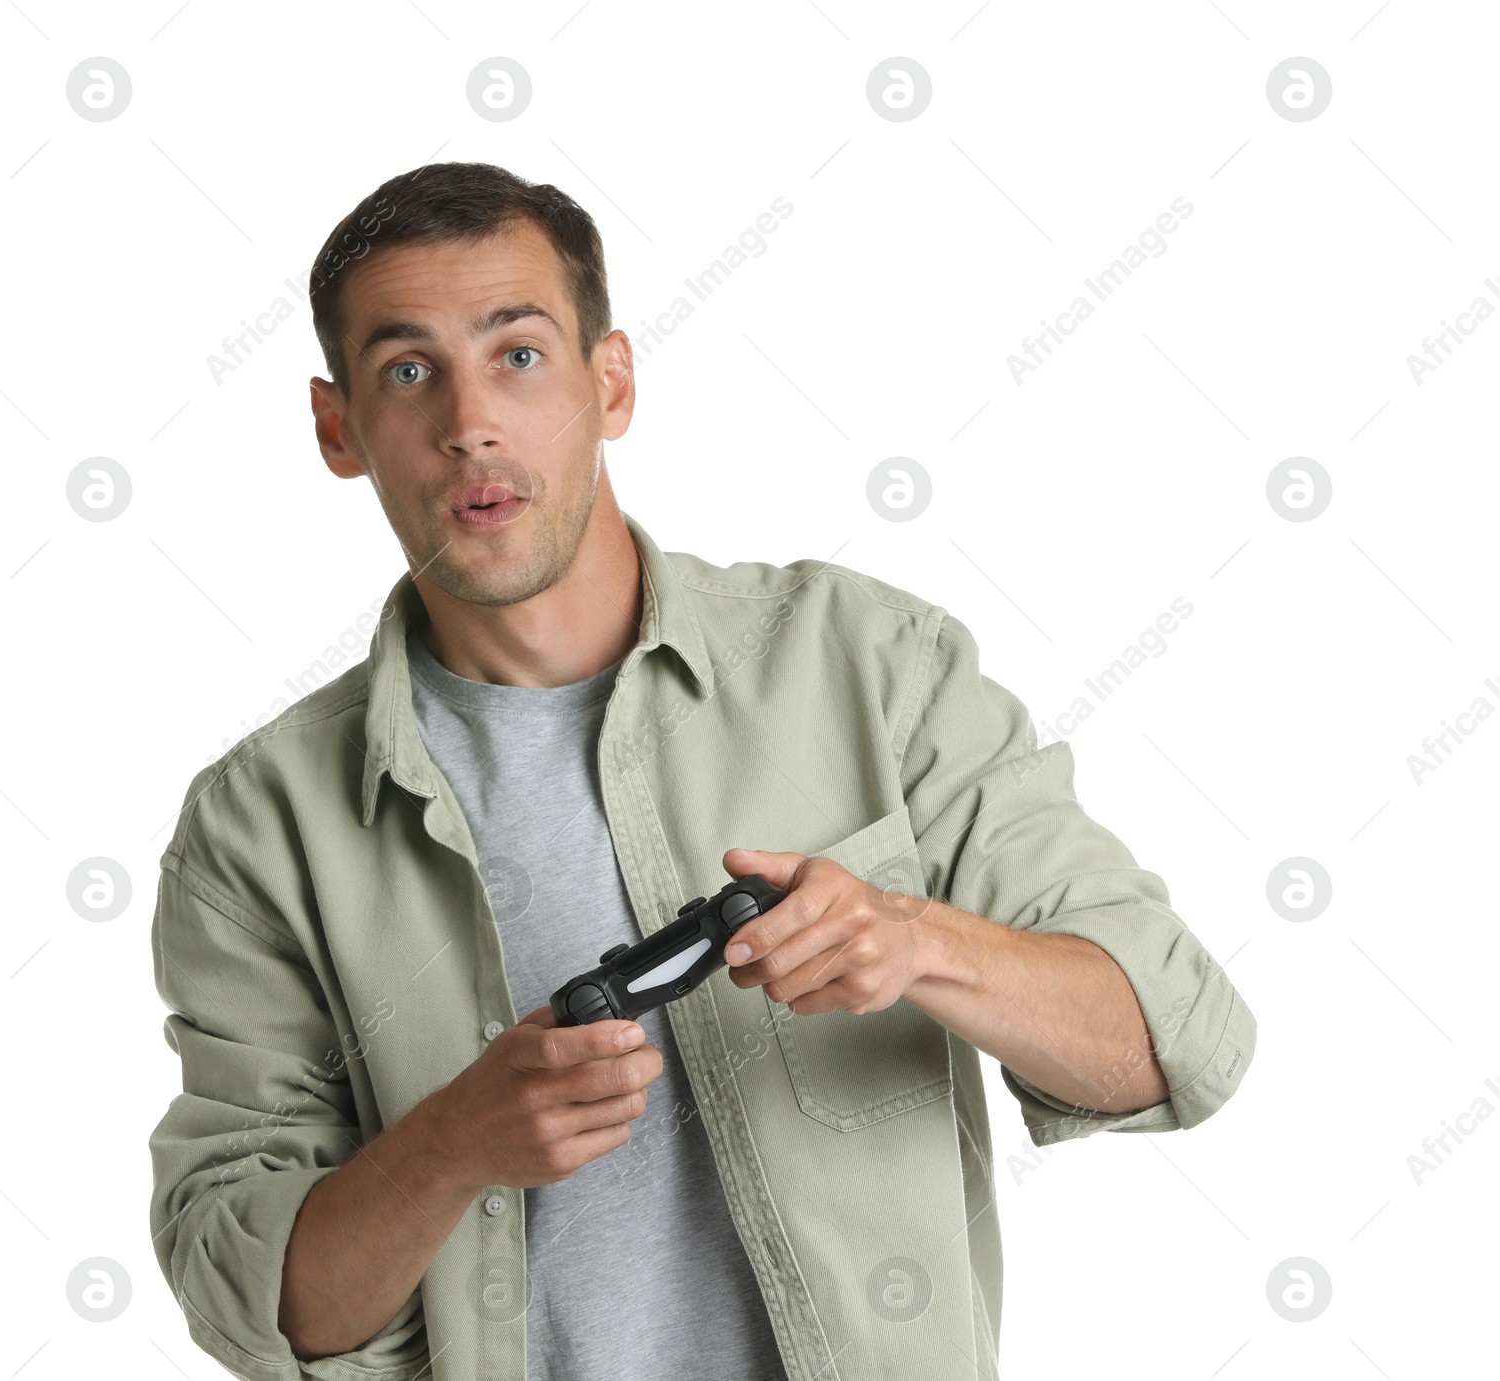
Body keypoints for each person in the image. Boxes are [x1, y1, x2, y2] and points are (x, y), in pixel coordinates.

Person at [147, 161, 1257, 1381]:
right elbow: (255, 1301)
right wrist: (453, 1141)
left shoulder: (872, 665)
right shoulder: (259, 826)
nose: (470, 418)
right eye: (408, 370)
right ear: (337, 427)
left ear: (609, 382)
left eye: (518, 354)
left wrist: (914, 941)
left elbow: (1170, 1041)